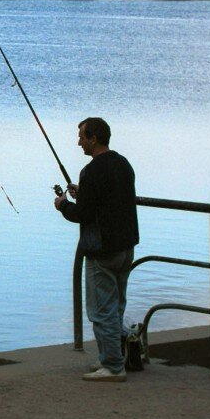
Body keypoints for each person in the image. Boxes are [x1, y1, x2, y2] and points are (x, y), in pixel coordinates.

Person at [54, 118, 139, 382]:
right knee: (116, 307)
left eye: (81, 136)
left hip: (102, 250)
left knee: (101, 311)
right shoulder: (123, 164)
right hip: (125, 247)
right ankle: (111, 357)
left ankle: (113, 366)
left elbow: (82, 214)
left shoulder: (91, 171)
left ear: (94, 138)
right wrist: (85, 192)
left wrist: (63, 205)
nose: (78, 141)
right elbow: (108, 199)